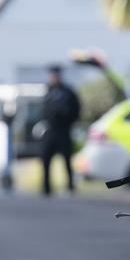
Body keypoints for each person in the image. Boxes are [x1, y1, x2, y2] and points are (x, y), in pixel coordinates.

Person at [40, 65, 81, 197]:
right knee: (46, 160)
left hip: (64, 130)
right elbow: (43, 111)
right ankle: (46, 188)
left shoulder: (68, 92)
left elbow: (76, 110)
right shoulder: (48, 92)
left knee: (67, 160)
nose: (54, 78)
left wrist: (66, 117)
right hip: (50, 131)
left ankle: (70, 186)